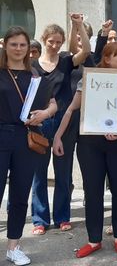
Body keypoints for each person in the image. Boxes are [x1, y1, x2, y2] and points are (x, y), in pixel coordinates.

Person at [52, 42, 117, 258]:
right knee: (93, 192)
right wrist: (58, 136)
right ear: (107, 58)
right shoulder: (91, 78)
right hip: (90, 144)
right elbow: (72, 109)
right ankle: (94, 240)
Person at [30, 14, 91, 235]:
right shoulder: (32, 65)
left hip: (64, 123)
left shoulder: (66, 60)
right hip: (39, 123)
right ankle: (39, 219)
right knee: (38, 173)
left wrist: (77, 26)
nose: (55, 45)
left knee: (63, 173)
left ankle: (63, 217)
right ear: (44, 39)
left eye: (58, 42)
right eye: (51, 41)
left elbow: (84, 51)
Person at [1, 26, 56, 266]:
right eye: (14, 44)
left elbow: (53, 104)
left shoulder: (35, 75)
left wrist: (44, 113)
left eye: (23, 45)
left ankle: (14, 246)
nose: (18, 49)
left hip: (27, 138)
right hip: (1, 135)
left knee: (20, 194)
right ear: (5, 45)